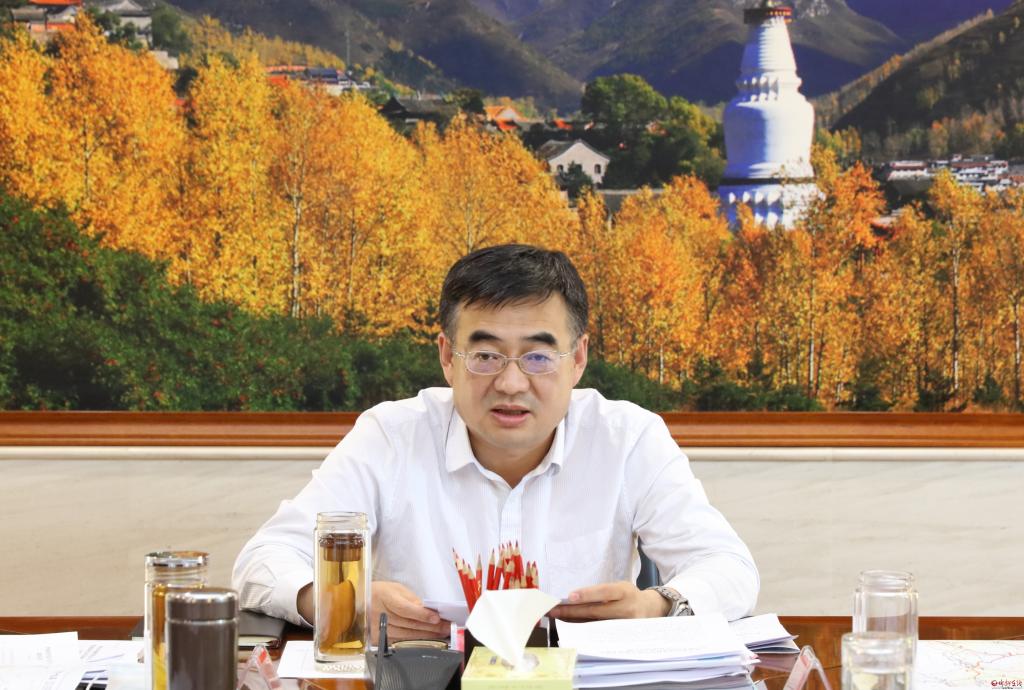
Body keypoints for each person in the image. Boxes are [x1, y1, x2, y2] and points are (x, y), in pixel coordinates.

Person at [233, 244, 758, 640]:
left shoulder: (627, 438)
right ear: (447, 357)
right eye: (485, 356)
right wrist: (341, 603)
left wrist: (656, 606)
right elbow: (264, 559)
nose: (510, 383)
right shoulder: (391, 436)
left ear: (577, 359)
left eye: (538, 356)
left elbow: (730, 568)